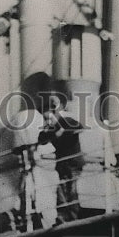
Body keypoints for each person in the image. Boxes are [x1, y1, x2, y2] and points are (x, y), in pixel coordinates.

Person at [38, 93, 85, 221]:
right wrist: (54, 133)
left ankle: (73, 217)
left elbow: (80, 127)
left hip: (73, 164)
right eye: (45, 119)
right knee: (61, 191)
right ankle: (64, 216)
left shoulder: (67, 122)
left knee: (71, 191)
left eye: (48, 118)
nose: (47, 121)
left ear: (56, 113)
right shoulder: (50, 129)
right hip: (63, 166)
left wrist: (62, 132)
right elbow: (41, 139)